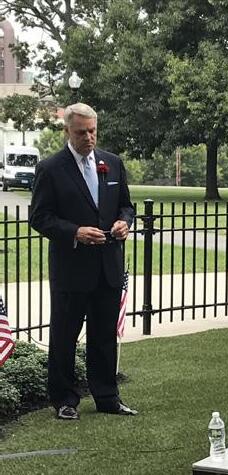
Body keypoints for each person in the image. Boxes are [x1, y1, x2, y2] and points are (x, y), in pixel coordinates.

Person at [29, 103, 137, 420]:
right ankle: (64, 400)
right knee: (64, 338)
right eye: (81, 132)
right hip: (71, 270)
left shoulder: (112, 163)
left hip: (108, 267)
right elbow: (40, 217)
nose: (88, 137)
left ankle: (107, 397)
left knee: (104, 337)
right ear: (67, 131)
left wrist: (124, 222)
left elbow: (126, 206)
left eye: (92, 131)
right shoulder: (51, 168)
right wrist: (75, 232)